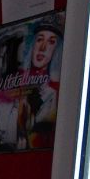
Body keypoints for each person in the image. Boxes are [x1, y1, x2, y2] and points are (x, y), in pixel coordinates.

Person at [17, 18, 63, 150]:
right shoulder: (20, 83)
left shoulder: (54, 92)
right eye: (39, 39)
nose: (43, 47)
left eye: (51, 42)